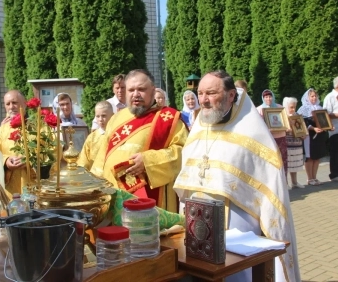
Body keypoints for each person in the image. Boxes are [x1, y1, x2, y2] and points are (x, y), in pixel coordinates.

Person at [174, 70, 300, 282]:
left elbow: (270, 188)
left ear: (231, 95)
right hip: (198, 228)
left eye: (211, 93)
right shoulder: (198, 128)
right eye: (201, 93)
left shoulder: (252, 132)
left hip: (238, 230)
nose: (203, 100)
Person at [90, 69, 188, 212]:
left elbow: (183, 153)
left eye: (141, 89)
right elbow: (102, 155)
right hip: (112, 195)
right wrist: (95, 184)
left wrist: (148, 161)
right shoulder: (116, 118)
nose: (136, 94)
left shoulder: (169, 119)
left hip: (150, 197)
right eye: (131, 90)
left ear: (153, 91)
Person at [0, 90, 30, 195]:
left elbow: (51, 152)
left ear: (24, 103)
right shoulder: (0, 131)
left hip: (33, 185)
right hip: (10, 189)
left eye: (15, 103)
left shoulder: (38, 127)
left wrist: (30, 160)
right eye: (8, 104)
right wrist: (6, 161)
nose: (11, 107)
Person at [257, 89, 289, 185]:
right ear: (263, 98)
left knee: (283, 160)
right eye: (266, 97)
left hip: (281, 137)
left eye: (270, 96)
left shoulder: (279, 108)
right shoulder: (259, 109)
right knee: (271, 161)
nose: (268, 99)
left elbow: (285, 121)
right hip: (268, 139)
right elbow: (258, 125)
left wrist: (286, 127)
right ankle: (271, 184)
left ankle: (283, 183)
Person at [298, 89, 329, 186]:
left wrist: (329, 127)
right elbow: (301, 123)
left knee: (317, 157)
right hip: (309, 136)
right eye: (312, 96)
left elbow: (324, 122)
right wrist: (313, 128)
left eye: (315, 96)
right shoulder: (303, 109)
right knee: (310, 157)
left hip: (319, 136)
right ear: (307, 97)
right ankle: (309, 178)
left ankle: (315, 177)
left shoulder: (320, 108)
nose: (314, 98)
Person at [77, 101, 114, 170]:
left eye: (104, 116)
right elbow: (84, 160)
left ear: (112, 116)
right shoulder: (91, 137)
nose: (100, 119)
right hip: (94, 177)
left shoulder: (117, 134)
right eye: (97, 116)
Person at [283, 97, 305, 189]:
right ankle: (286, 183)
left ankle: (294, 182)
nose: (293, 109)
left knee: (294, 164)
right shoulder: (283, 116)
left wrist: (302, 133)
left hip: (297, 144)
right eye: (291, 107)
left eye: (294, 107)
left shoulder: (297, 116)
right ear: (286, 106)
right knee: (287, 164)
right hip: (287, 144)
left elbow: (303, 129)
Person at [323, 77, 338, 181]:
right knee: (335, 152)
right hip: (335, 129)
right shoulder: (330, 97)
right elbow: (325, 114)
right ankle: (334, 175)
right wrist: (336, 115)